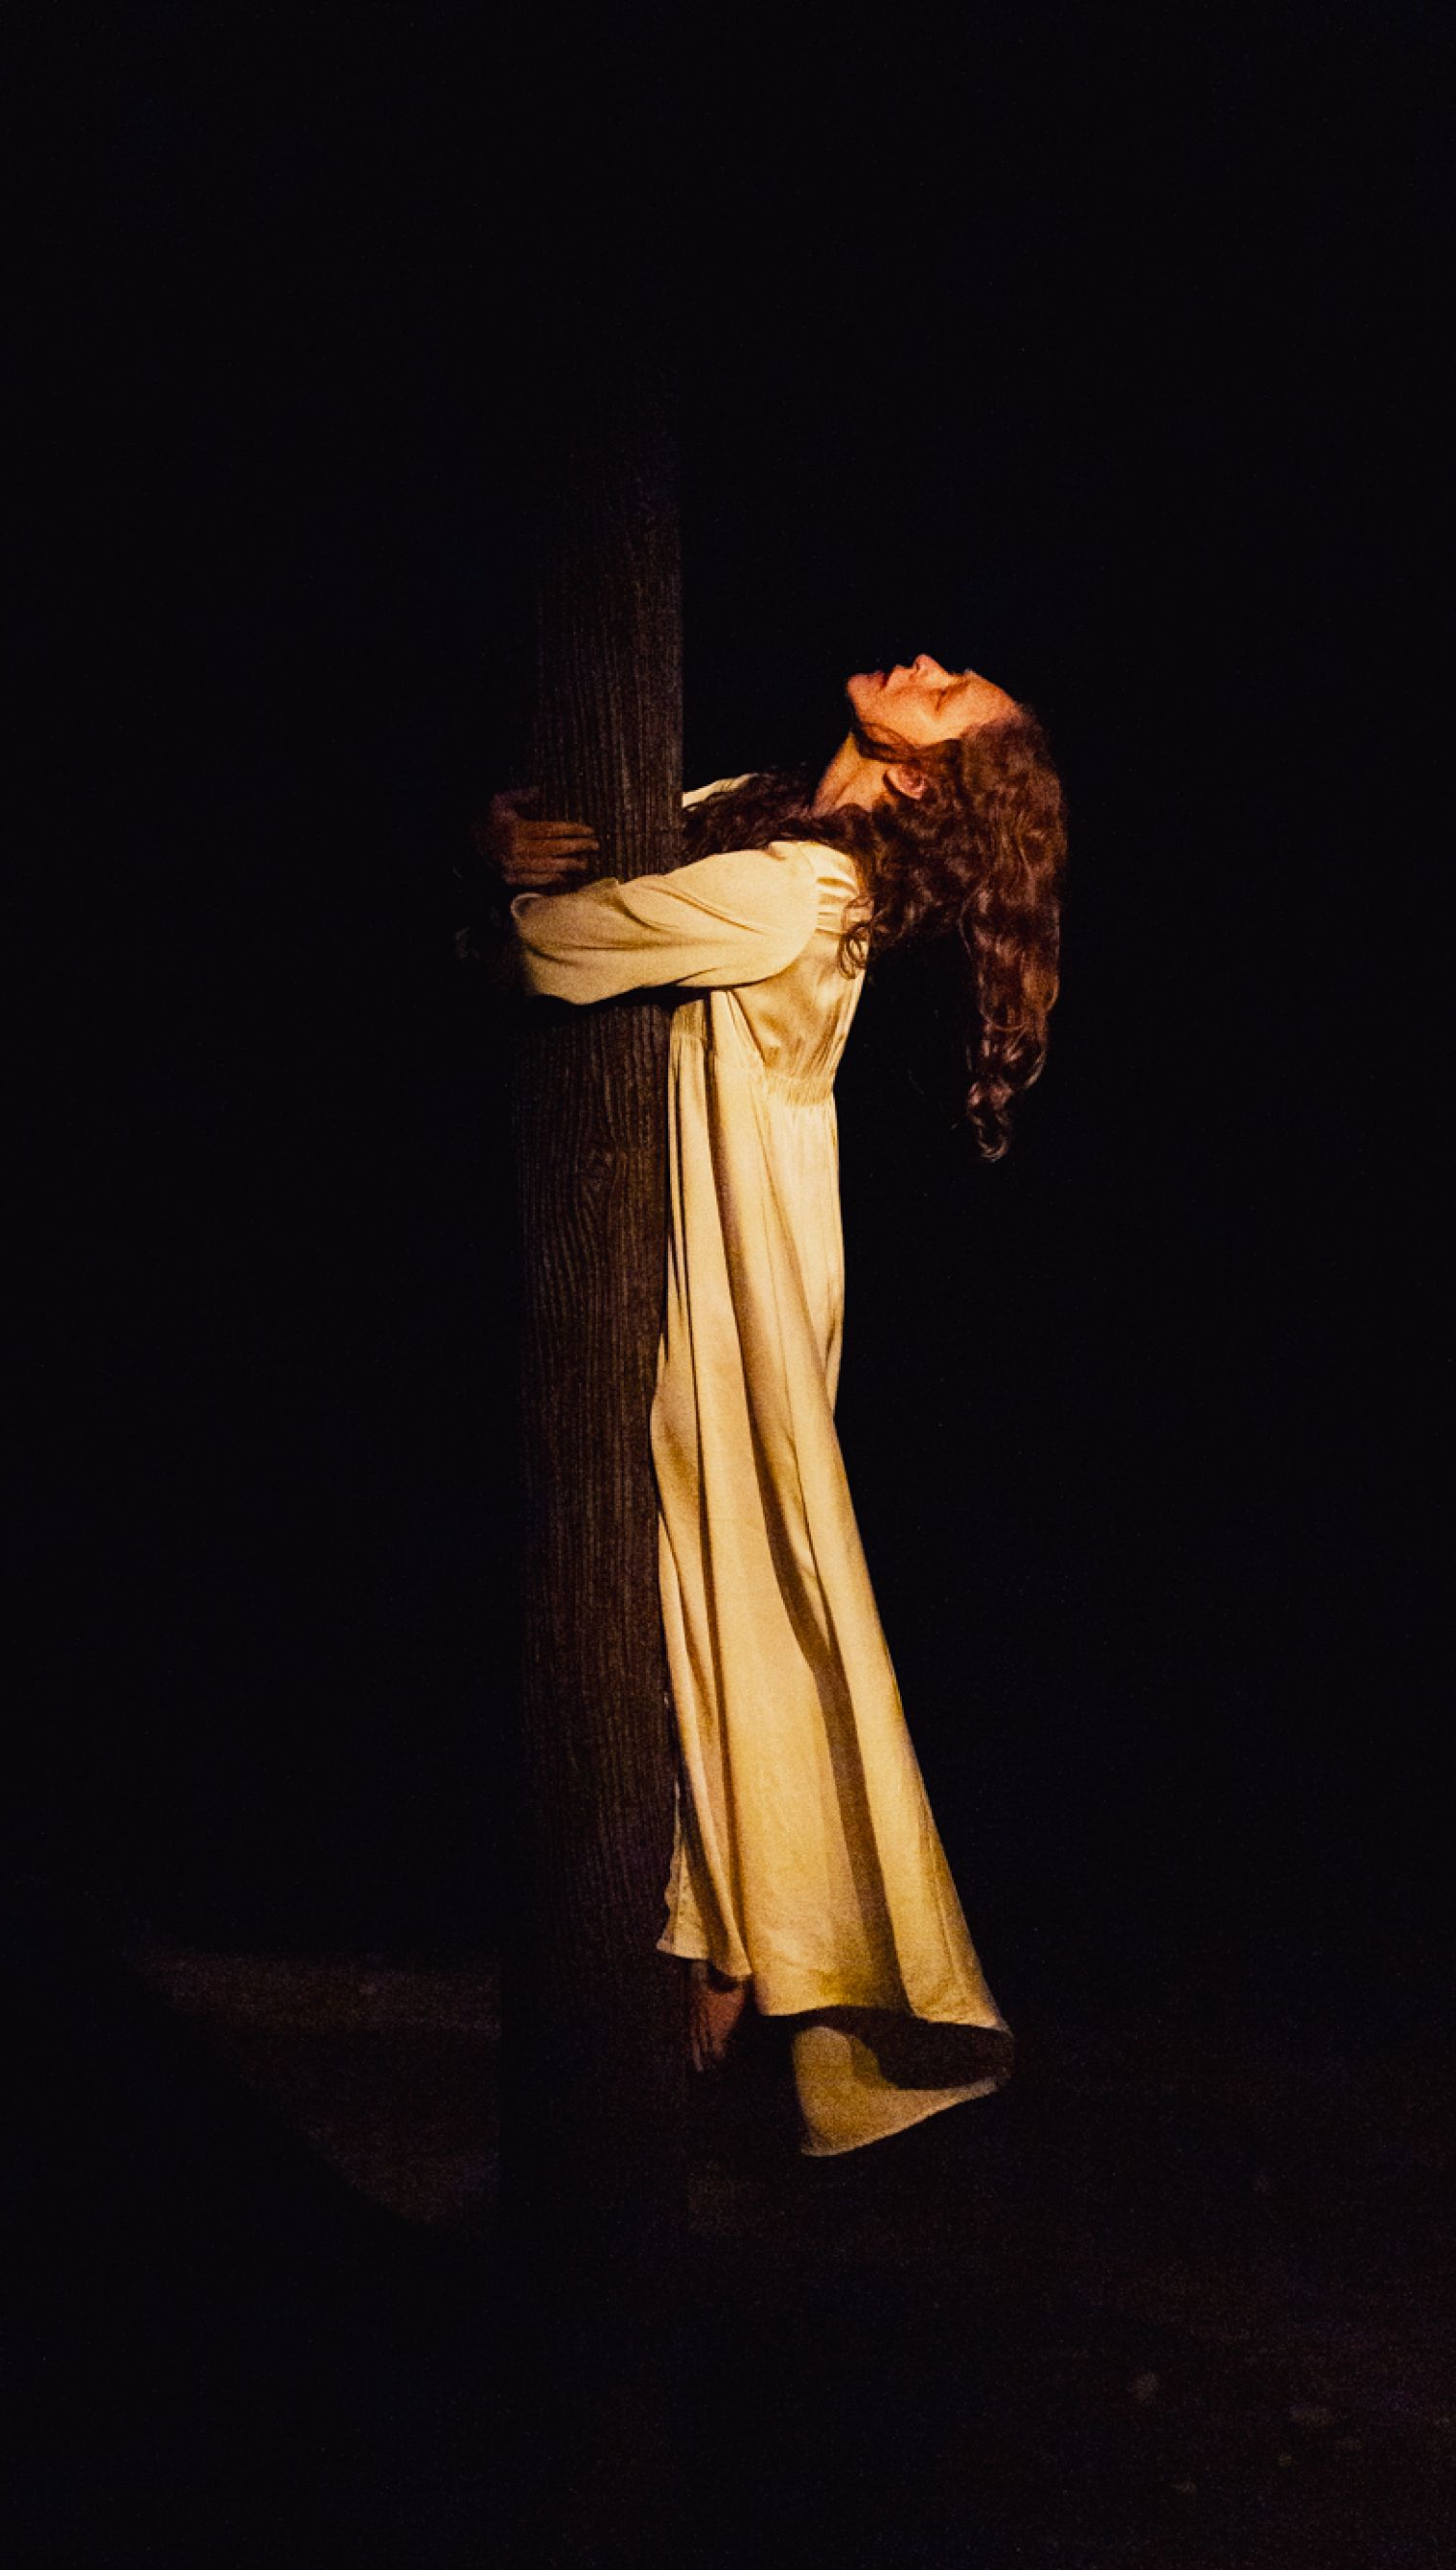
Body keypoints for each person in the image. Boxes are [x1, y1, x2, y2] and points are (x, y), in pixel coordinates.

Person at [488, 656, 1066, 2157]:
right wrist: (508, 840)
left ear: (922, 775)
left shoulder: (800, 887)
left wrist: (496, 889)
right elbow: (601, 875)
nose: (924, 664)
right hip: (757, 1237)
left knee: (737, 1580)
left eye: (949, 691)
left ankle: (753, 1935)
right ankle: (733, 1918)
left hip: (747, 1260)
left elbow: (552, 949)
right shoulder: (768, 819)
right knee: (719, 1574)